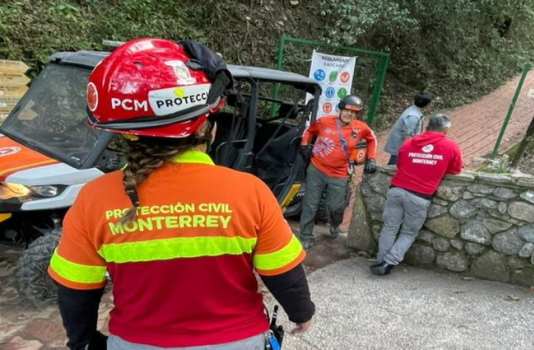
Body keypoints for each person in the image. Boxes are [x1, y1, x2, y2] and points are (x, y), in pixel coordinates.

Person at [48, 38, 315, 350]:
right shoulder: (250, 191)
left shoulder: (94, 199)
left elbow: (75, 289)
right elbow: (283, 272)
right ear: (206, 128)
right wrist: (302, 314)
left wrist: (83, 342)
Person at [371, 114, 463, 276]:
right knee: (408, 232)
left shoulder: (408, 144)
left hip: (396, 190)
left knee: (390, 227)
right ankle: (388, 263)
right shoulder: (451, 147)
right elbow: (455, 170)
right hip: (419, 196)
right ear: (446, 130)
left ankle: (380, 260)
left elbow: (399, 164)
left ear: (427, 126)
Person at [298, 95, 377, 249]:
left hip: (339, 174)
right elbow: (309, 130)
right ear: (341, 109)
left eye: (354, 113)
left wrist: (371, 158)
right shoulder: (324, 122)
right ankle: (306, 236)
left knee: (335, 207)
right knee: (310, 205)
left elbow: (372, 139)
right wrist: (304, 145)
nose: (350, 114)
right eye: (347, 110)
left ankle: (334, 224)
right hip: (317, 169)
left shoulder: (360, 128)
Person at [384, 92, 434, 165]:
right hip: (399, 148)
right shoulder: (413, 116)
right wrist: (406, 153)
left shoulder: (414, 110)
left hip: (400, 146)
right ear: (427, 105)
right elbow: (408, 137)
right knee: (394, 167)